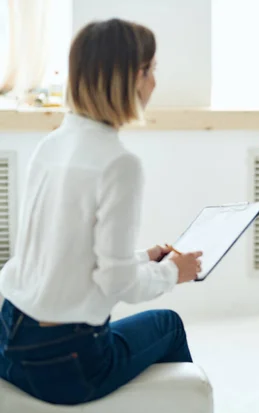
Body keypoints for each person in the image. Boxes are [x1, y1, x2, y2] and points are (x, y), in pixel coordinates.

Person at [0, 19, 203, 405]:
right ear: (130, 77)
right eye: (152, 70)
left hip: (9, 336)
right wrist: (173, 273)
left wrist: (145, 258)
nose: (155, 84)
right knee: (169, 325)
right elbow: (117, 284)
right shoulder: (118, 163)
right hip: (63, 360)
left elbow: (62, 256)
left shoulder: (52, 144)